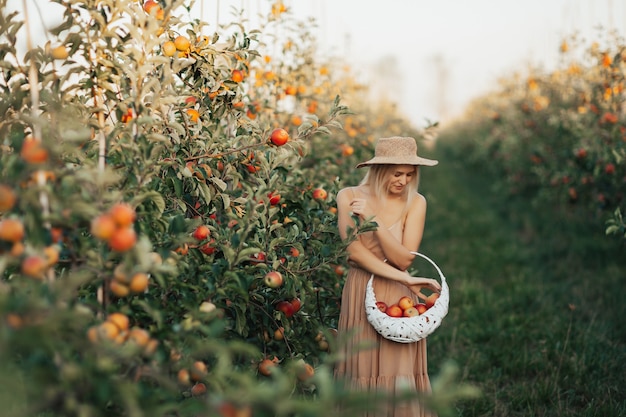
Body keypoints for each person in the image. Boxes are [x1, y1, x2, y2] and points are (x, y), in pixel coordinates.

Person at [334, 136, 442, 417]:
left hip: (396, 293)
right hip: (362, 290)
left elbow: (404, 258)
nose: (404, 181)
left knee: (398, 371)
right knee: (362, 368)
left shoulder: (415, 202)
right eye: (397, 173)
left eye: (410, 174)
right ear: (380, 169)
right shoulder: (348, 196)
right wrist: (406, 279)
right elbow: (354, 253)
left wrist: (374, 220)